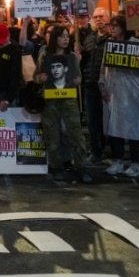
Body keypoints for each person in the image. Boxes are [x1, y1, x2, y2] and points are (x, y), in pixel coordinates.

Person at [35, 25, 90, 182]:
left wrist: (78, 80)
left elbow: (79, 78)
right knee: (52, 135)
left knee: (76, 134)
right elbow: (36, 77)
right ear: (55, 38)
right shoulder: (45, 56)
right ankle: (56, 167)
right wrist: (41, 78)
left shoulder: (72, 57)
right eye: (62, 36)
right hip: (50, 100)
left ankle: (81, 167)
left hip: (69, 99)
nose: (66, 39)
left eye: (67, 36)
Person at [98, 15, 139, 178]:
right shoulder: (109, 45)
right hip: (114, 91)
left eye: (115, 25)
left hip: (132, 91)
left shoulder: (135, 43)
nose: (112, 28)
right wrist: (102, 85)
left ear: (124, 27)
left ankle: (135, 163)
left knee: (132, 127)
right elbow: (103, 67)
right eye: (110, 25)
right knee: (115, 127)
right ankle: (118, 161)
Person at [80, 7, 112, 165]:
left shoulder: (113, 38)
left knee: (109, 120)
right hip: (90, 85)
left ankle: (112, 150)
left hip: (108, 86)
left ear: (108, 18)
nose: (98, 19)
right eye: (96, 17)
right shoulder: (89, 38)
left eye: (101, 16)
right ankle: (96, 151)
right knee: (93, 121)